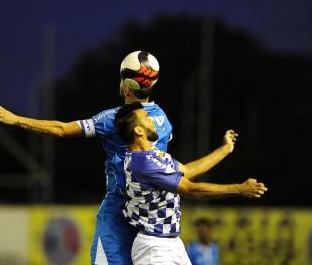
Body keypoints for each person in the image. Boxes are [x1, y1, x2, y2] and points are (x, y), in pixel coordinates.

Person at [0, 51, 232, 264]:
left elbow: (60, 129)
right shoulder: (163, 120)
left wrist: (16, 119)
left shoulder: (114, 119)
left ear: (125, 86)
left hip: (118, 212)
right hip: (150, 220)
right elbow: (177, 171)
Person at [113, 102, 267, 265]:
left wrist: (225, 149)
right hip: (154, 249)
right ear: (138, 130)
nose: (152, 120)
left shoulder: (153, 155)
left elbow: (187, 171)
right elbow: (191, 189)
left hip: (172, 245)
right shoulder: (143, 163)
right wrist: (239, 189)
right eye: (147, 117)